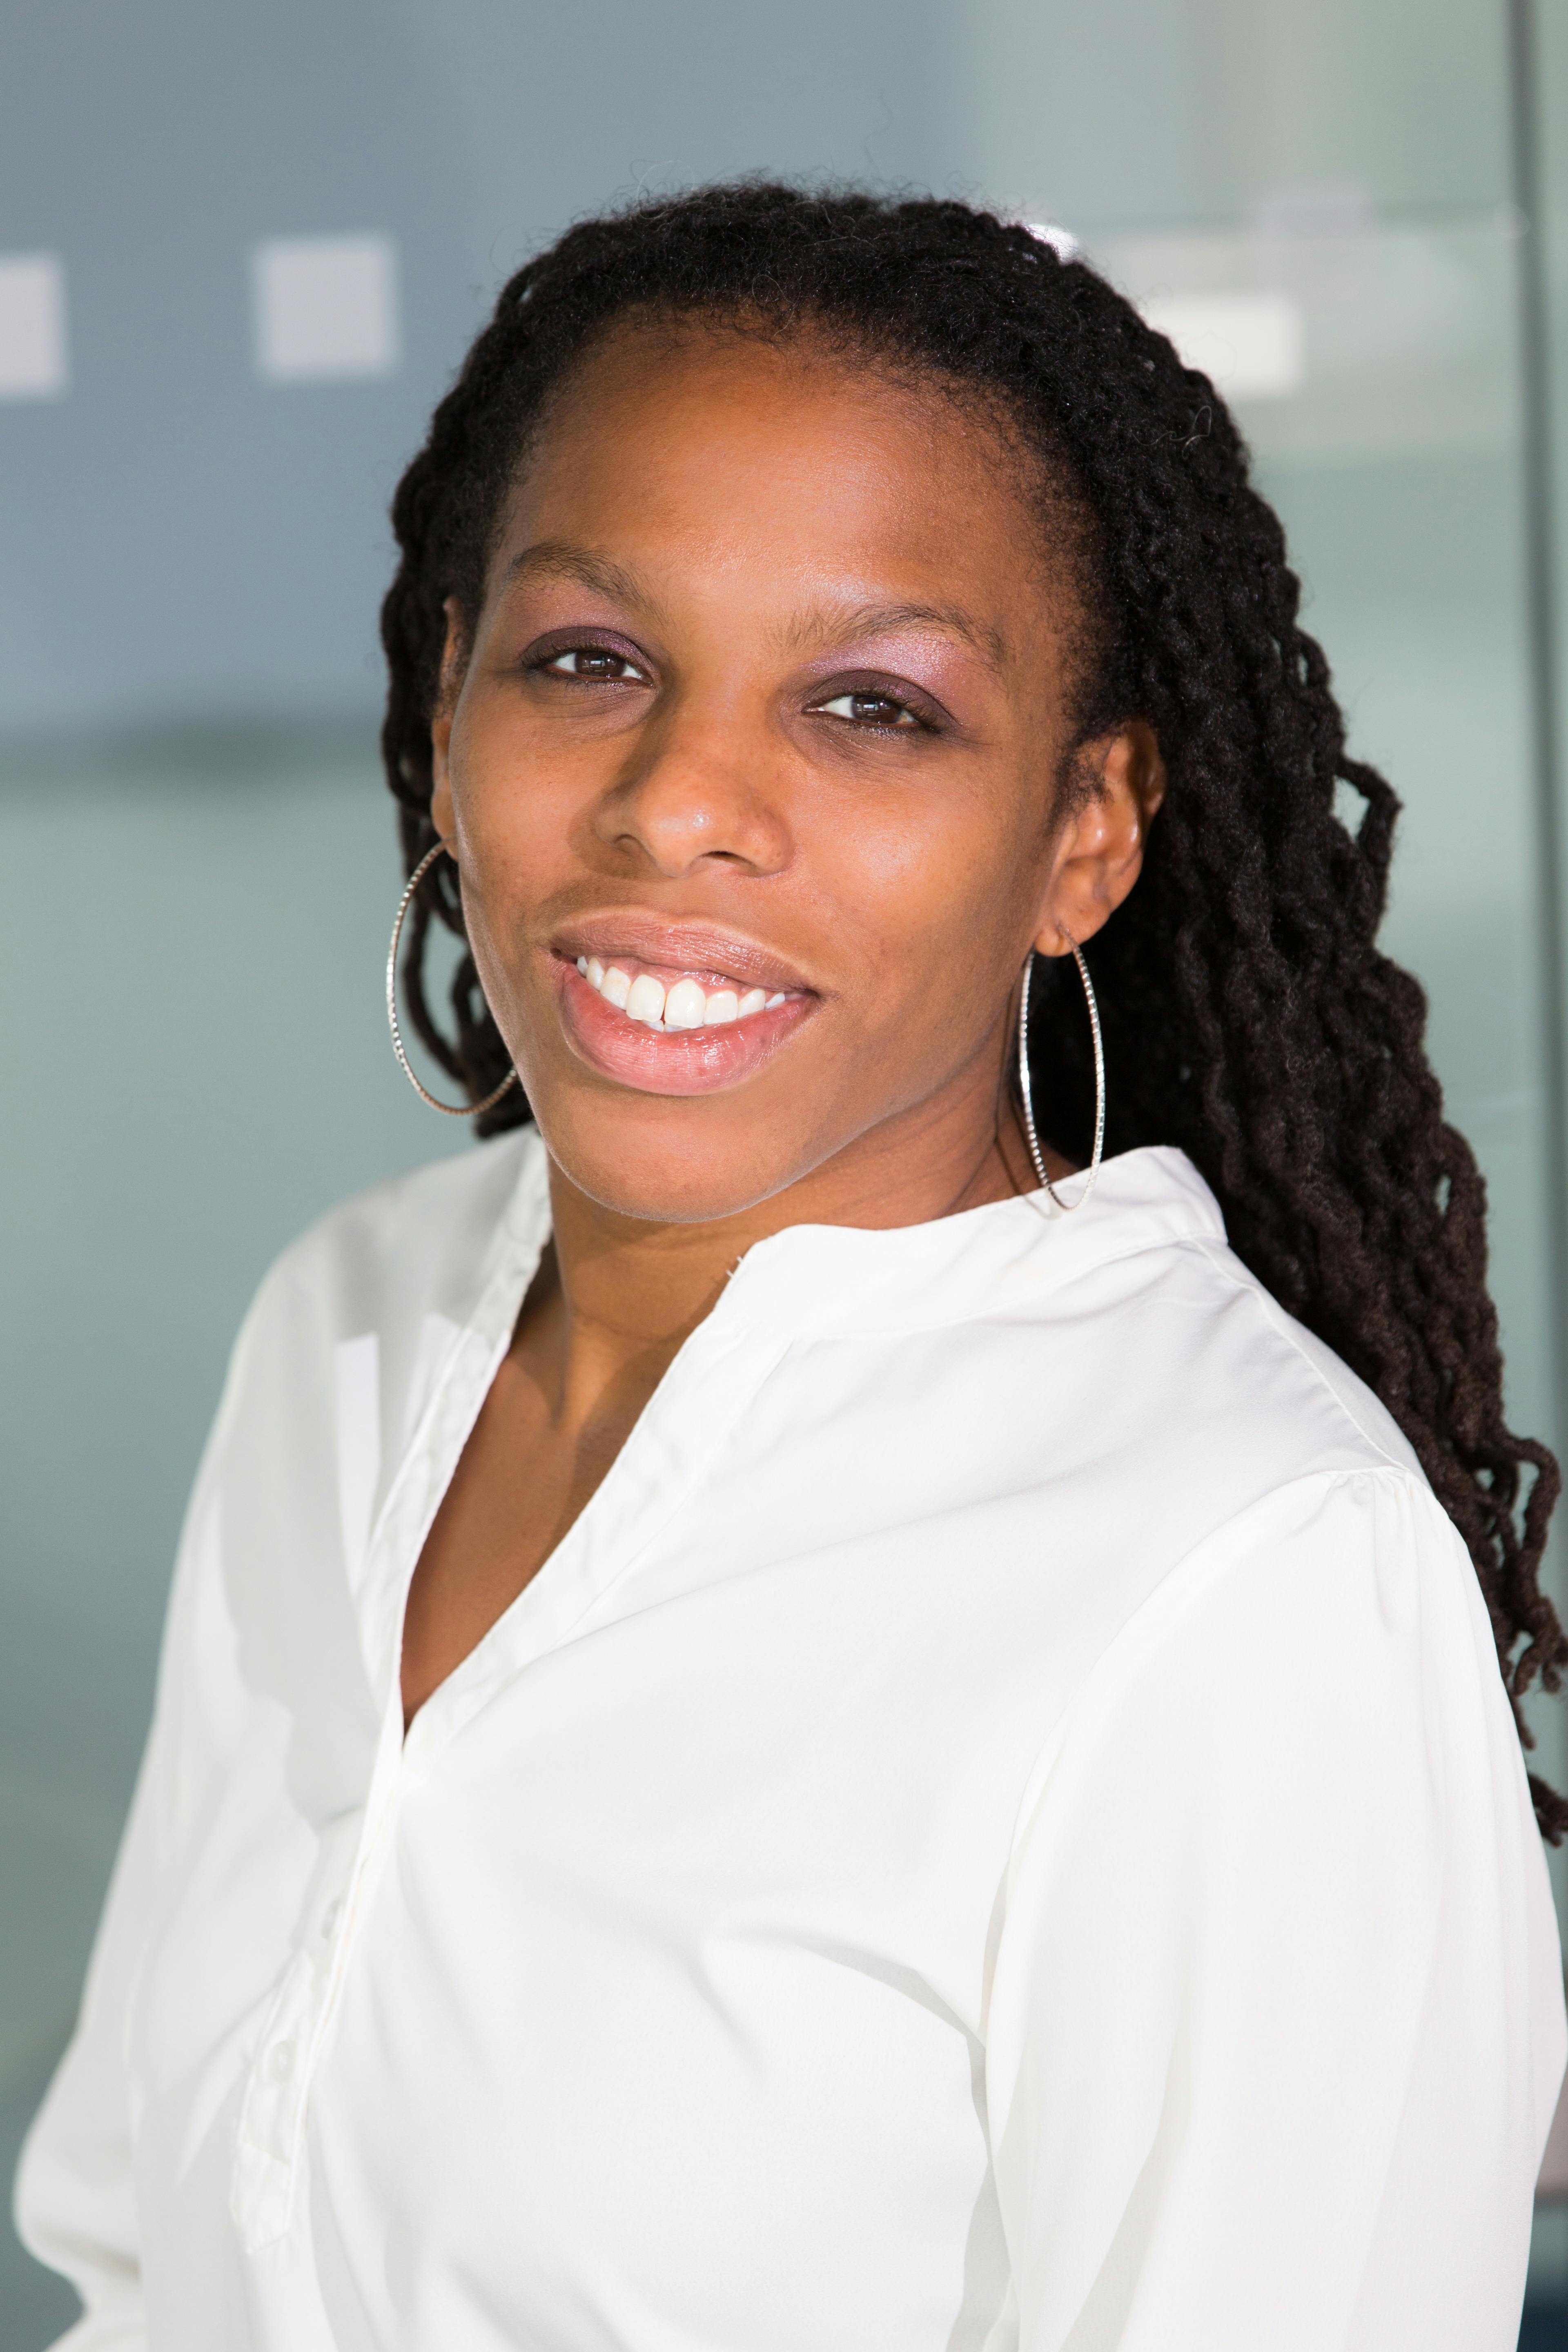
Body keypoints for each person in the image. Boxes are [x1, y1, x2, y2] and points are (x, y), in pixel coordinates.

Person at [16, 183, 1568, 2351]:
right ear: (455, 693)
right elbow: (143, 2268)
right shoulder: (349, 1331)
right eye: (589, 662)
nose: (678, 806)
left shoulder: (1237, 1565)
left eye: (873, 710)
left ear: (1086, 833)